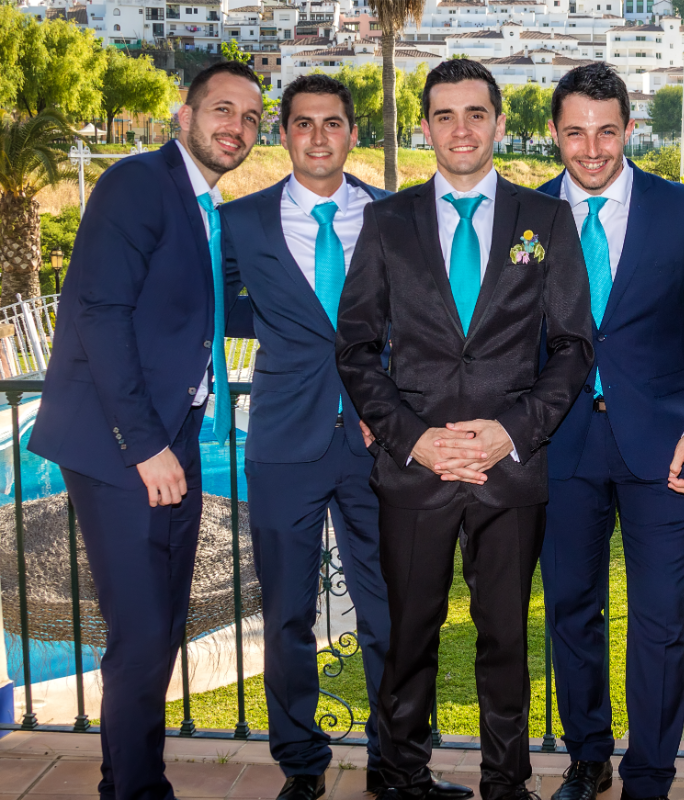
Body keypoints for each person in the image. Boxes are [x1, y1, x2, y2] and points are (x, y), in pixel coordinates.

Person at [335, 59, 594, 800]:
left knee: (505, 639)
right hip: (414, 469)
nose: (461, 129)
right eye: (444, 115)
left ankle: (505, 784)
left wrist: (511, 432)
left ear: (500, 123)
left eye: (475, 113)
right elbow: (355, 348)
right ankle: (401, 778)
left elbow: (573, 346)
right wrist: (414, 438)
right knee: (410, 635)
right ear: (424, 127)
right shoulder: (387, 222)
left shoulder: (546, 221)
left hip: (508, 470)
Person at [27, 60, 263, 799]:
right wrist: (146, 446)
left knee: (159, 628)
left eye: (251, 118)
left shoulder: (202, 207)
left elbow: (232, 307)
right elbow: (99, 315)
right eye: (222, 109)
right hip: (123, 447)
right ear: (183, 116)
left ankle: (131, 779)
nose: (237, 127)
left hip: (173, 438)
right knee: (140, 632)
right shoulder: (137, 183)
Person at [219, 74, 419, 800]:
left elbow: (420, 314)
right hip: (283, 442)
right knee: (287, 617)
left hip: (377, 441)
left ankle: (394, 762)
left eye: (332, 122)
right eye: (302, 123)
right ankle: (301, 764)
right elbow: (219, 302)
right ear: (284, 135)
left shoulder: (395, 215)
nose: (318, 136)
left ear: (352, 133)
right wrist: (282, 325)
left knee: (390, 612)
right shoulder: (242, 221)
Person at [535, 62, 684, 800]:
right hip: (560, 448)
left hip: (665, 448)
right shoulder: (526, 217)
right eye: (576, 133)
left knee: (659, 620)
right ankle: (588, 759)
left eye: (606, 131)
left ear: (629, 129)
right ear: (555, 133)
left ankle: (650, 773)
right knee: (570, 611)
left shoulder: (683, 211)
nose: (591, 149)